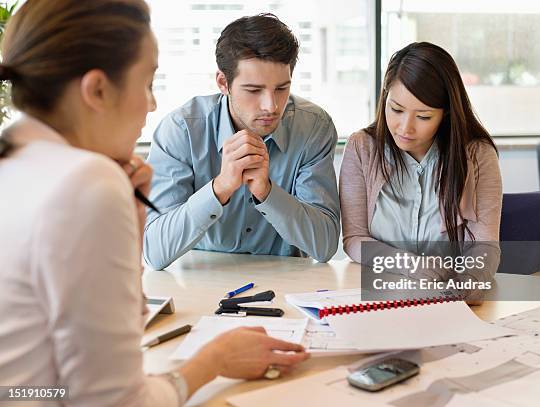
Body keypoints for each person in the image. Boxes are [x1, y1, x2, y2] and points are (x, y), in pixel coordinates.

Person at [0, 1, 308, 405]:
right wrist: (213, 360)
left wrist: (132, 216)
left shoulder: (17, 161)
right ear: (96, 90)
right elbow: (114, 401)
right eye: (147, 83)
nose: (151, 104)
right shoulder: (86, 182)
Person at [143, 14, 340, 270]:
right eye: (254, 90)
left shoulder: (314, 127)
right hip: (203, 282)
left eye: (282, 88)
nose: (271, 106)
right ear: (223, 82)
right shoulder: (182, 130)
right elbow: (155, 252)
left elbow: (324, 247)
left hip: (286, 284)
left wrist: (267, 192)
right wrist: (220, 188)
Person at [339, 42, 502, 299]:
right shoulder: (362, 148)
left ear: (446, 114)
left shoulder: (477, 155)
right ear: (384, 97)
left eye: (424, 116)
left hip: (449, 299)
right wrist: (410, 266)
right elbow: (355, 239)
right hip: (380, 295)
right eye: (396, 109)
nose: (405, 127)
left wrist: (466, 284)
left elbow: (485, 247)